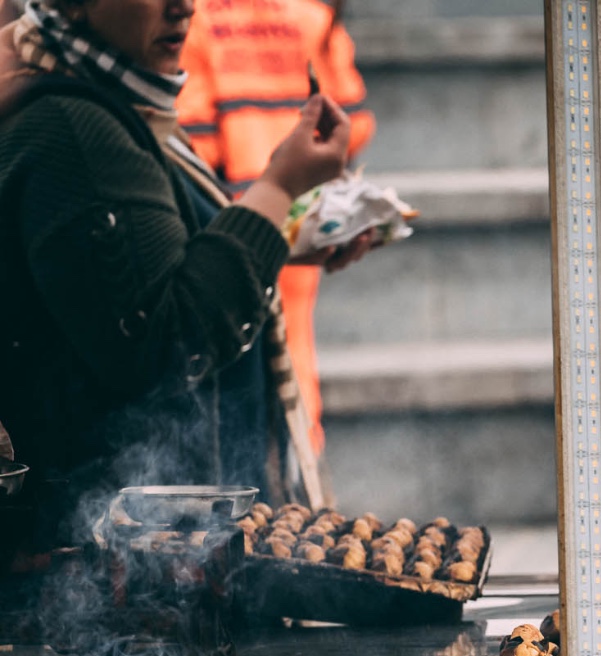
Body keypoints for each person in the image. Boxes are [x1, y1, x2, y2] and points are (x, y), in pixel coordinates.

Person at [0, 0, 352, 549]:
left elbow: (154, 258)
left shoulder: (116, 98)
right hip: (120, 560)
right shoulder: (77, 125)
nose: (183, 5)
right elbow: (169, 335)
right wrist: (279, 187)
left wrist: (276, 233)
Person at [176, 0, 377, 456]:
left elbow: (194, 141)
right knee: (295, 358)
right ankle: (300, 467)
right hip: (302, 223)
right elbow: (353, 125)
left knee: (233, 372)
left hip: (230, 227)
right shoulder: (311, 15)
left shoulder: (196, 16)